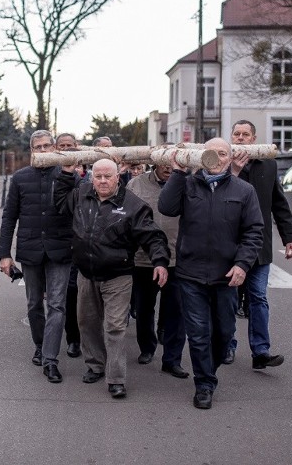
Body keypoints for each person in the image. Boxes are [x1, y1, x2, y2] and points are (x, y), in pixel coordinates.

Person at [158, 138, 263, 410]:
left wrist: (242, 265)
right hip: (191, 274)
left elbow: (254, 231)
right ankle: (204, 384)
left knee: (225, 333)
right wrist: (179, 172)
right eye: (211, 153)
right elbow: (166, 208)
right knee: (198, 332)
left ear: (230, 159)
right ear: (201, 156)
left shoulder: (244, 190)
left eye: (223, 153)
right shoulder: (188, 184)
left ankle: (209, 369)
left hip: (227, 276)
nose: (217, 157)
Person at [55, 158, 170, 400]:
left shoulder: (133, 205)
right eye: (98, 176)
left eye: (108, 176)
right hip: (87, 273)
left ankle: (116, 379)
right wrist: (65, 173)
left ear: (118, 177)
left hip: (118, 276)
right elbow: (60, 205)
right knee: (86, 322)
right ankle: (96, 365)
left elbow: (153, 237)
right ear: (91, 178)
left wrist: (160, 261)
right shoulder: (81, 194)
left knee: (115, 327)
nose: (103, 181)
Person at [0, 130, 74, 384]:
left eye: (46, 146)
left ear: (54, 148)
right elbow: (9, 217)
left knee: (57, 304)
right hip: (30, 249)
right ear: (32, 150)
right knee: (33, 303)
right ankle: (40, 345)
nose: (43, 150)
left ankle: (51, 359)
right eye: (38, 147)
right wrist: (4, 254)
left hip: (60, 250)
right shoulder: (20, 178)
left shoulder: (66, 176)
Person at [225, 120, 292, 368]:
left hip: (259, 248)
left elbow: (278, 202)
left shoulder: (268, 163)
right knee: (229, 301)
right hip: (229, 247)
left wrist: (289, 237)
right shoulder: (221, 164)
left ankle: (261, 352)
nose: (241, 138)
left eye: (246, 134)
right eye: (237, 134)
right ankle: (227, 347)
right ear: (231, 137)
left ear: (254, 138)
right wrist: (232, 169)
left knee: (258, 298)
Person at [126, 163, 188, 378]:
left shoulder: (187, 183)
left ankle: (172, 359)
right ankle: (147, 348)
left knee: (176, 311)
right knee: (144, 308)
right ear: (156, 162)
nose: (169, 168)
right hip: (144, 260)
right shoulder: (136, 184)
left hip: (177, 258)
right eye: (165, 163)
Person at [55, 132, 82, 358]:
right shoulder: (54, 172)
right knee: (70, 292)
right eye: (62, 145)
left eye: (70, 145)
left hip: (88, 243)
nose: (66, 149)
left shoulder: (89, 174)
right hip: (64, 242)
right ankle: (73, 338)